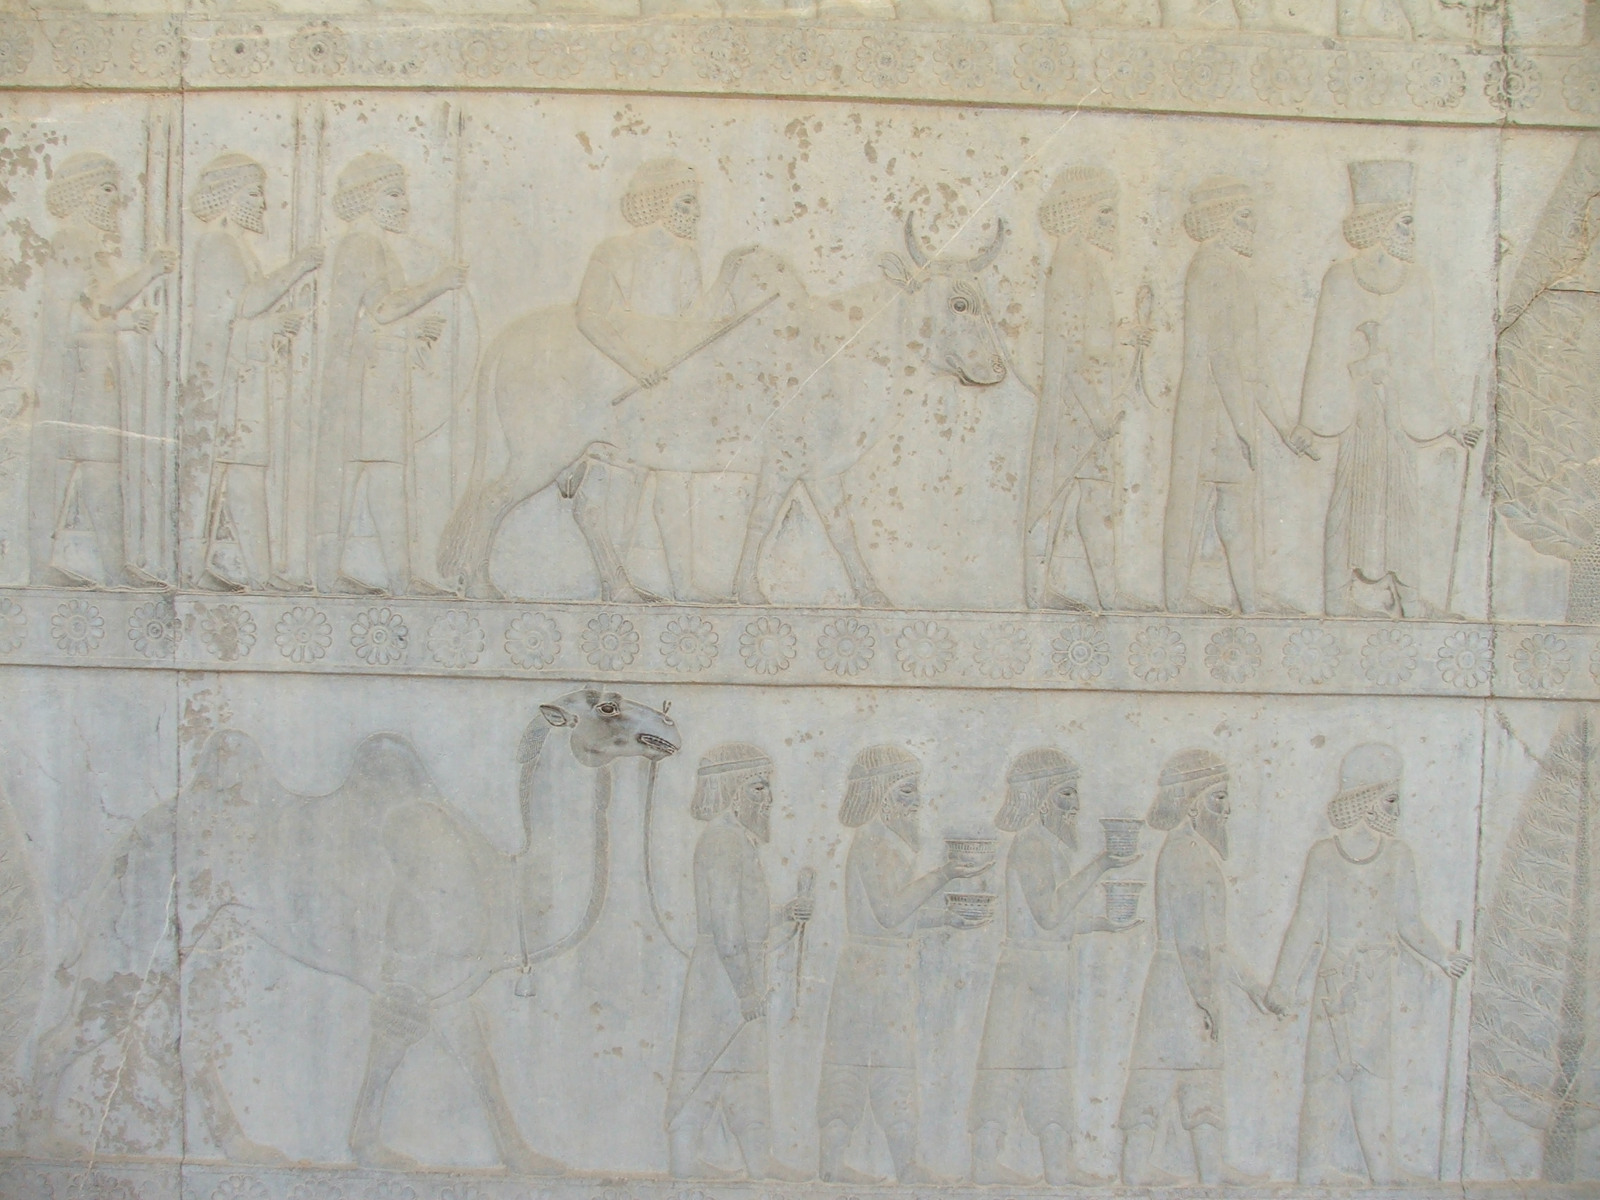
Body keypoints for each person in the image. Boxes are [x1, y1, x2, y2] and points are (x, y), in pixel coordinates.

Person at [1265, 743, 1470, 1185]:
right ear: (1366, 799)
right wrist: (1282, 984)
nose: (1398, 809)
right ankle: (1310, 1172)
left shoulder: (1398, 855)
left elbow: (1409, 923)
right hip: (1334, 979)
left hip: (1375, 984)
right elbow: (1305, 923)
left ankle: (1381, 1170)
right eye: (1391, 799)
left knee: (1373, 1074)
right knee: (1325, 1075)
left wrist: (1443, 957)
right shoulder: (1324, 854)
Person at [1286, 161, 1481, 618]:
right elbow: (1323, 353)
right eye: (1405, 221)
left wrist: (1451, 423)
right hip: (1356, 412)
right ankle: (1336, 598)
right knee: (1348, 501)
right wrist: (1312, 419)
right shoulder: (1340, 278)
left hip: (1397, 414)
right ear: (1380, 223)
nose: (1412, 232)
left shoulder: (1416, 282)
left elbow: (1423, 364)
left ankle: (1409, 599)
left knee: (1402, 504)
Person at [817, 745, 989, 1184]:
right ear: (881, 794)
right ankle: (838, 1165)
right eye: (907, 791)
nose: (917, 801)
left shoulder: (886, 842)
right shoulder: (874, 841)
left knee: (887, 1065)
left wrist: (946, 918)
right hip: (870, 971)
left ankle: (901, 1166)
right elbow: (891, 913)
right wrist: (945, 874)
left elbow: (894, 919)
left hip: (881, 966)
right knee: (858, 1065)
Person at [970, 747, 1134, 1186]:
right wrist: (1101, 865)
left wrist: (1103, 923)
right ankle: (984, 1166)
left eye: (1075, 793)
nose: (1076, 804)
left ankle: (1057, 1168)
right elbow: (1049, 913)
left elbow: (1052, 921)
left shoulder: (1049, 845)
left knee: (1050, 1068)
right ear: (1042, 798)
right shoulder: (1031, 844)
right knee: (1006, 1065)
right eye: (1066, 794)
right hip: (1025, 974)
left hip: (1046, 970)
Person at [314, 152, 466, 595]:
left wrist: (415, 332)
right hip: (364, 378)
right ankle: (336, 577)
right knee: (366, 475)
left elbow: (376, 315)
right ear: (368, 198)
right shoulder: (363, 243)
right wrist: (439, 282)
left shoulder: (370, 244)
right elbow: (382, 309)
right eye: (394, 195)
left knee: (378, 475)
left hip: (372, 375)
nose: (405, 205)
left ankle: (392, 578)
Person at [1119, 749, 1266, 1185]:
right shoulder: (1185, 852)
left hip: (1186, 979)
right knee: (1160, 1074)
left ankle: (1209, 1170)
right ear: (1193, 803)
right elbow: (1193, 941)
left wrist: (1254, 989)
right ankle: (1135, 1171)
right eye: (1219, 797)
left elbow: (1214, 946)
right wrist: (1206, 999)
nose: (1228, 808)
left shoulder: (1194, 849)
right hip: (1179, 983)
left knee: (1196, 1075)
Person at [29, 152, 175, 587]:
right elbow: (96, 307)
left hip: (94, 370)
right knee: (75, 467)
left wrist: (126, 323)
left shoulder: (88, 248)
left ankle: (113, 567)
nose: (116, 200)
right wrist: (149, 271)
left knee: (100, 469)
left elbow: (88, 314)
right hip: (78, 375)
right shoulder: (72, 242)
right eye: (108, 189)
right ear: (84, 194)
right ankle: (42, 566)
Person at [665, 744, 810, 1181]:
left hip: (734, 968)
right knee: (705, 1067)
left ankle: (757, 1162)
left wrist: (785, 914)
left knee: (744, 1069)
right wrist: (746, 990)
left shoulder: (734, 839)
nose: (769, 798)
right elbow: (727, 927)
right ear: (731, 791)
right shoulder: (724, 840)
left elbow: (744, 919)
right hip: (724, 975)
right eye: (758, 788)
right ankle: (684, 1162)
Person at [1162, 177, 1304, 614]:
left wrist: (1284, 426)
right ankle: (1178, 597)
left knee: (1229, 500)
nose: (1253, 224)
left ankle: (1247, 597)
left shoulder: (1229, 269)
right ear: (1220, 220)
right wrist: (1245, 426)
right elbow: (1223, 356)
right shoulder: (1212, 268)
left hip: (1226, 405)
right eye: (1244, 215)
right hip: (1212, 406)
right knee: (1200, 498)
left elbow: (1250, 360)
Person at [187, 153, 323, 591]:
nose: (263, 203)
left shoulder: (236, 247)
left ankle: (260, 576)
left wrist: (275, 326)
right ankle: (192, 571)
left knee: (245, 473)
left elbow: (243, 313)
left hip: (241, 377)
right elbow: (241, 306)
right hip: (223, 382)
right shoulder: (218, 244)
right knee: (221, 475)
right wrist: (298, 267)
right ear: (229, 197)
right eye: (254, 193)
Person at [1025, 167, 1149, 612]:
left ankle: (1108, 595)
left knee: (1095, 496)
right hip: (1075, 405)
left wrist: (1126, 336)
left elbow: (1091, 338)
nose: (1112, 222)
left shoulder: (1084, 262)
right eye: (1105, 212)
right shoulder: (1071, 264)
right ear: (1079, 212)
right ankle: (1037, 593)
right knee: (1054, 495)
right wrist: (1097, 414)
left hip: (1092, 401)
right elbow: (1069, 350)